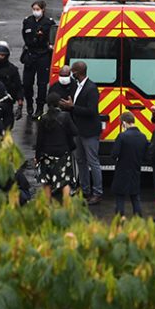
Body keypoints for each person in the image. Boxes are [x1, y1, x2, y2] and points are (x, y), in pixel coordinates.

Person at [58, 61, 103, 204]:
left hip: (89, 132)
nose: (71, 73)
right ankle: (85, 190)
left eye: (73, 71)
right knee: (80, 161)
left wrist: (73, 107)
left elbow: (91, 111)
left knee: (93, 162)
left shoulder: (91, 88)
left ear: (78, 72)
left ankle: (97, 193)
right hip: (78, 131)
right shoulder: (77, 86)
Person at [34, 94, 78, 200]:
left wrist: (37, 156)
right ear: (59, 103)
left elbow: (39, 140)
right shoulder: (65, 117)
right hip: (63, 153)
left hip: (47, 154)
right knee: (65, 181)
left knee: (47, 183)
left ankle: (48, 208)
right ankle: (67, 207)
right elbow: (75, 132)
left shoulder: (43, 118)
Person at [21, 1, 56, 119]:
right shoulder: (28, 21)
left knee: (42, 84)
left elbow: (52, 38)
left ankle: (40, 107)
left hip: (43, 56)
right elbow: (25, 37)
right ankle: (29, 104)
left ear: (43, 9)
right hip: (31, 55)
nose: (35, 11)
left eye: (37, 9)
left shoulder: (48, 23)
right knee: (27, 83)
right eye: (34, 9)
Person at [111, 112, 147, 217]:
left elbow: (114, 154)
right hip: (135, 170)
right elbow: (145, 155)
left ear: (124, 123)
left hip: (122, 170)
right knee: (135, 196)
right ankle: (138, 218)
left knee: (120, 197)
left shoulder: (122, 136)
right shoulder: (142, 137)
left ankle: (119, 218)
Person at [0, 41, 24, 121]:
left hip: (7, 102)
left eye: (3, 55)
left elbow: (19, 86)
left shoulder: (12, 70)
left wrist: (20, 106)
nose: (0, 57)